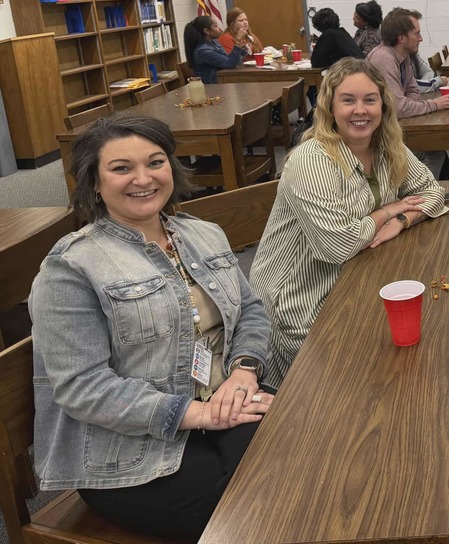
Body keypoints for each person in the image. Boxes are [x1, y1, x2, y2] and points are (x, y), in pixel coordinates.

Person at [29, 113, 273, 541]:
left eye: (155, 162)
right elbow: (82, 386)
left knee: (309, 458)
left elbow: (251, 310)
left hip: (225, 400)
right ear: (95, 183)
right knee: (260, 508)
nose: (143, 178)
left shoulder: (202, 234)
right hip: (128, 450)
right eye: (121, 168)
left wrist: (244, 371)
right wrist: (197, 414)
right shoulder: (71, 267)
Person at [250, 59, 447, 385]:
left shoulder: (386, 145)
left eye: (370, 100)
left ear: (383, 105)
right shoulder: (311, 160)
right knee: (364, 383)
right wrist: (385, 212)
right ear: (329, 107)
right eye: (348, 100)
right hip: (301, 305)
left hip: (355, 280)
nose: (360, 110)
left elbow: (432, 192)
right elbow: (338, 246)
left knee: (421, 350)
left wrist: (402, 218)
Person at [365, 7, 449, 180]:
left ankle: (421, 187)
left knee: (435, 147)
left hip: (394, 124)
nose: (421, 38)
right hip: (379, 135)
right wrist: (434, 104)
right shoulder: (384, 58)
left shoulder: (402, 55)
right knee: (433, 149)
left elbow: (413, 89)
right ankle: (419, 190)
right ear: (401, 37)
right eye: (417, 33)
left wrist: (408, 103)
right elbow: (399, 108)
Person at [183, 14, 249, 84]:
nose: (220, 29)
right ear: (206, 30)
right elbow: (230, 63)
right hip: (211, 86)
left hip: (222, 82)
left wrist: (242, 47)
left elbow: (231, 60)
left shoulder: (214, 42)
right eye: (215, 26)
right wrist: (237, 40)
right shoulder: (203, 51)